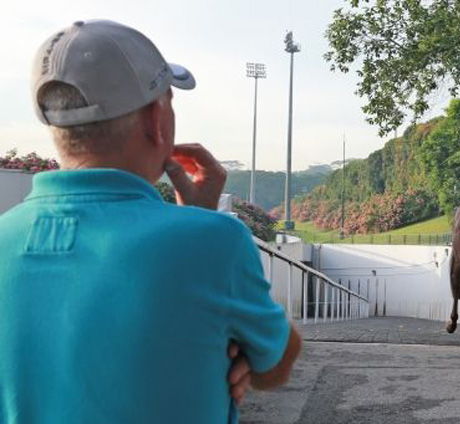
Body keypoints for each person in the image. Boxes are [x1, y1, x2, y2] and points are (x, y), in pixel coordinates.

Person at [0, 20, 301, 424]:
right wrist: (198, 223)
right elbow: (275, 366)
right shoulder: (215, 241)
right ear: (156, 120)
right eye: (170, 100)